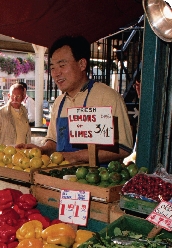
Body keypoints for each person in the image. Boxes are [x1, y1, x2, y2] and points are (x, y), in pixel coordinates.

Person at [18, 35, 133, 164]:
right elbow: (54, 142)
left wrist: (76, 157)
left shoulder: (106, 97)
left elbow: (123, 148)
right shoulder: (59, 102)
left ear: (82, 64)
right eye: (52, 68)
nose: (56, 73)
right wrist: (42, 150)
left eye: (62, 65)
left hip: (97, 181)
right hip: (60, 179)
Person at [0, 83, 31, 153]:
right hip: (4, 160)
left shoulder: (24, 113)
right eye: (12, 96)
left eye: (18, 96)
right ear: (9, 96)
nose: (14, 99)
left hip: (22, 159)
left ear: (23, 97)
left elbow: (27, 138)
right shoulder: (0, 114)